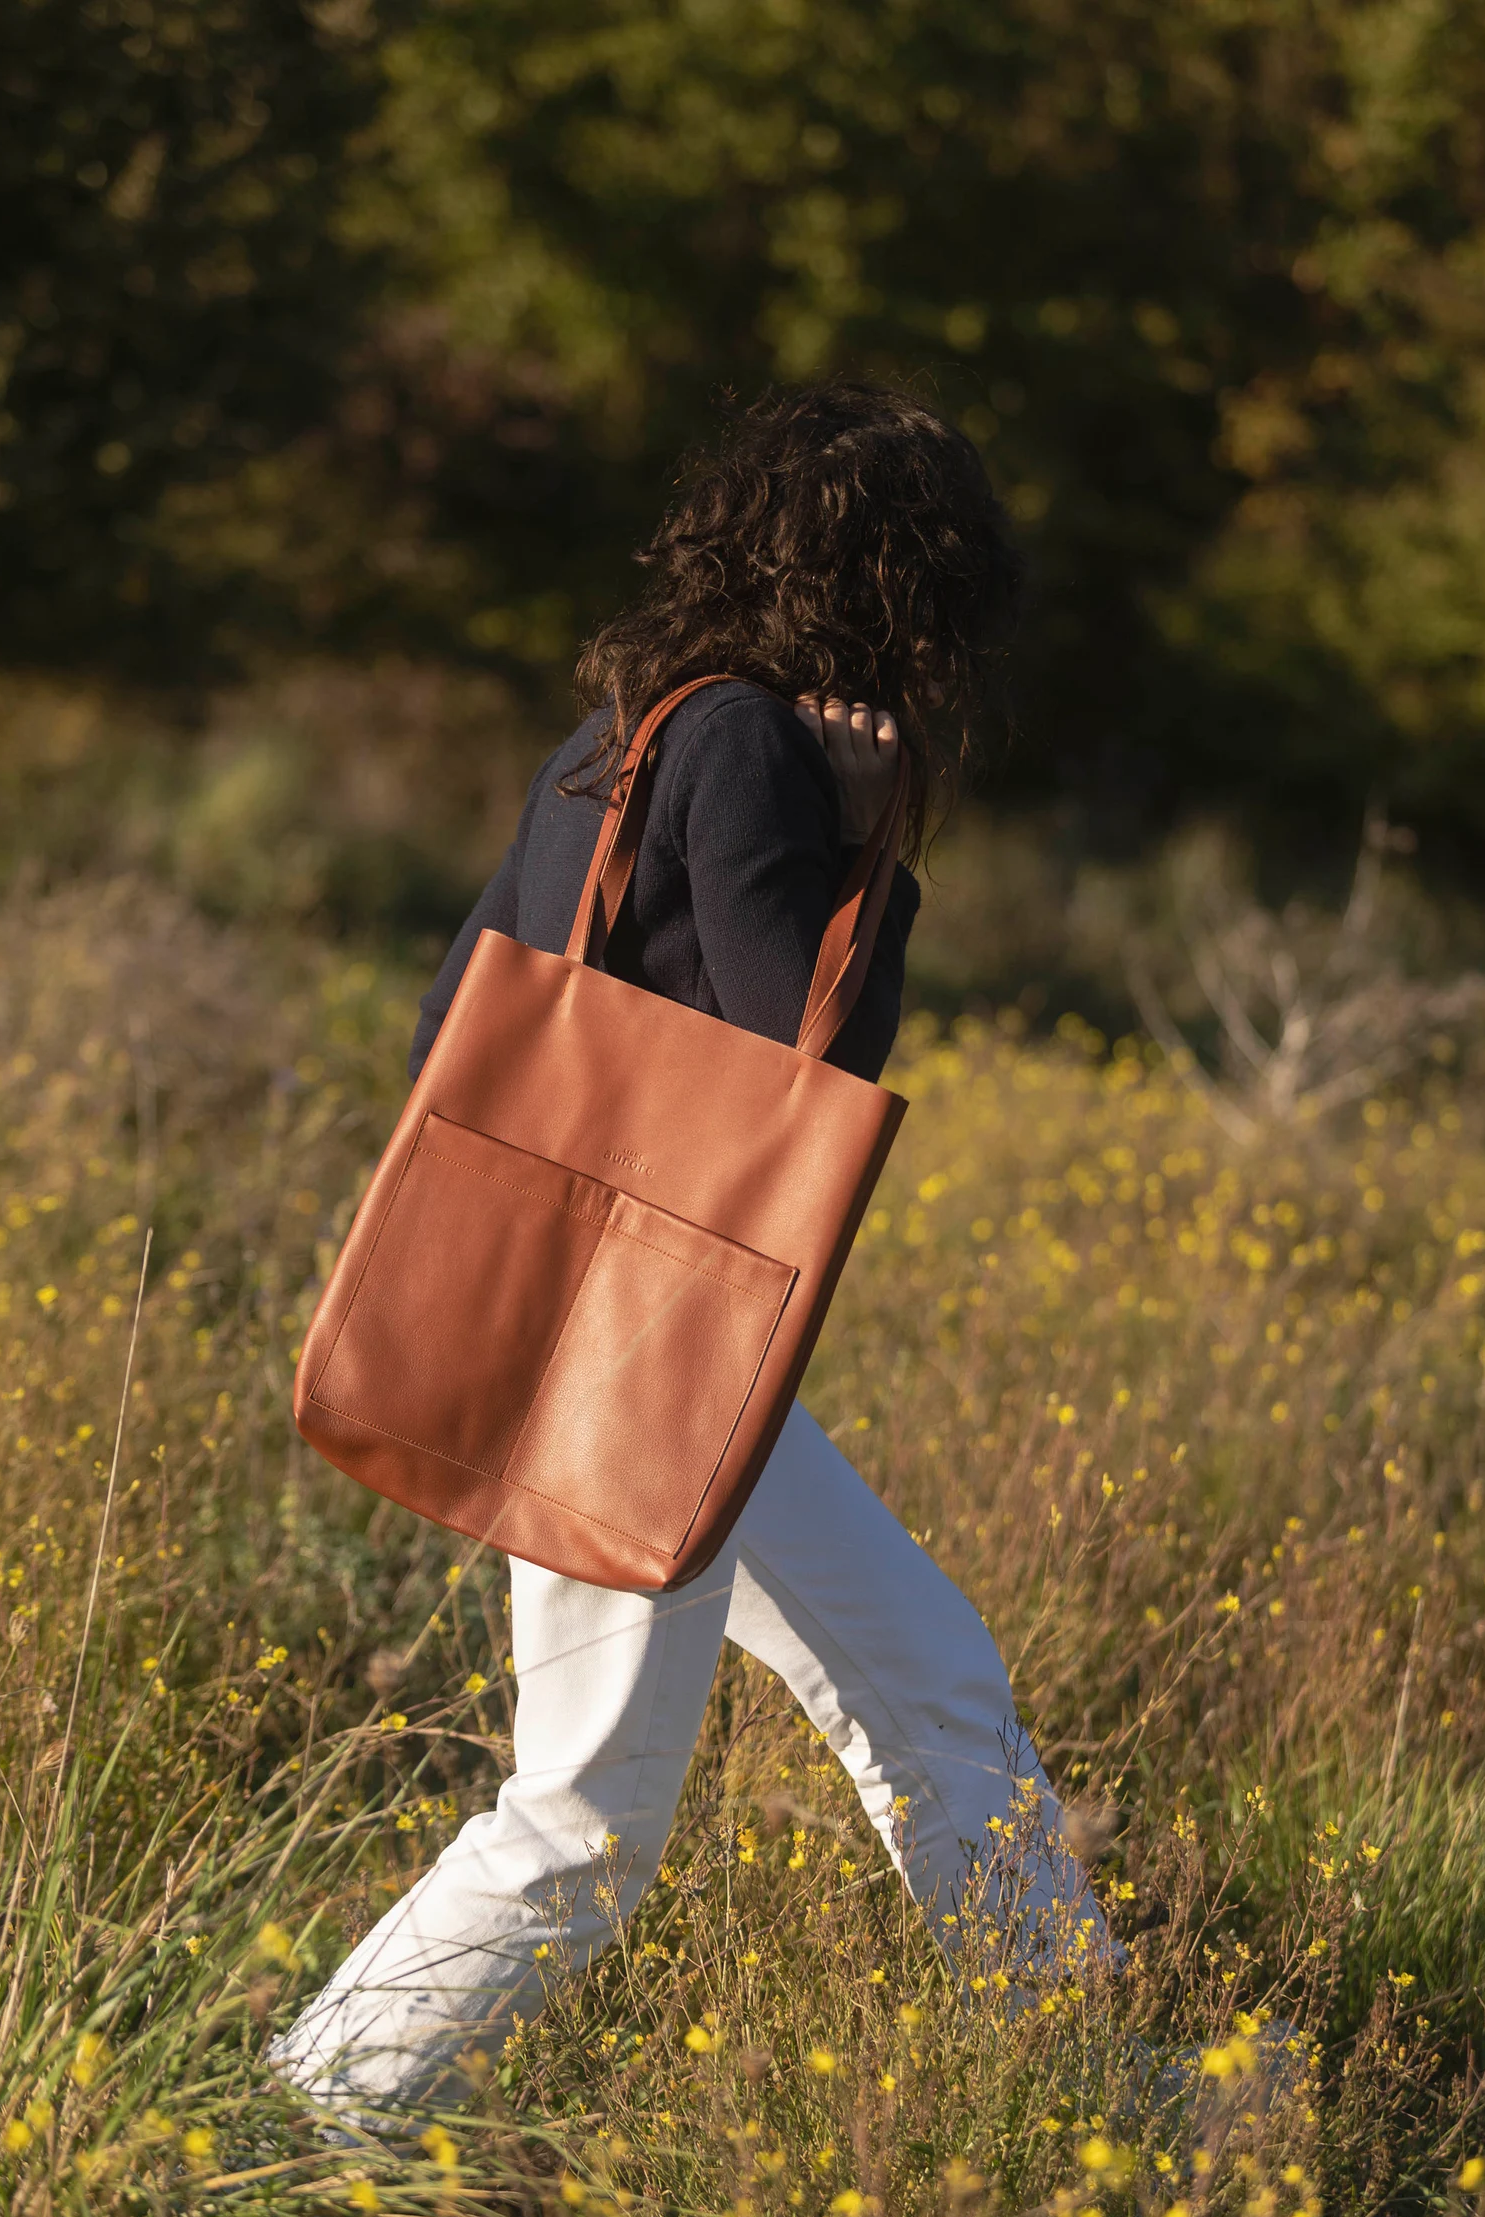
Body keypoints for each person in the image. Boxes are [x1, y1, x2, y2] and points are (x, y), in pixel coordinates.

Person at [275, 382, 1112, 2118]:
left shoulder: (623, 731)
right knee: (580, 1822)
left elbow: (460, 1017)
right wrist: (870, 853)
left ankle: (1097, 2093)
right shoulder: (744, 752)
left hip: (630, 1339)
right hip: (634, 1363)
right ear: (900, 587)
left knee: (934, 1681)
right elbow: (803, 1071)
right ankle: (296, 2122)